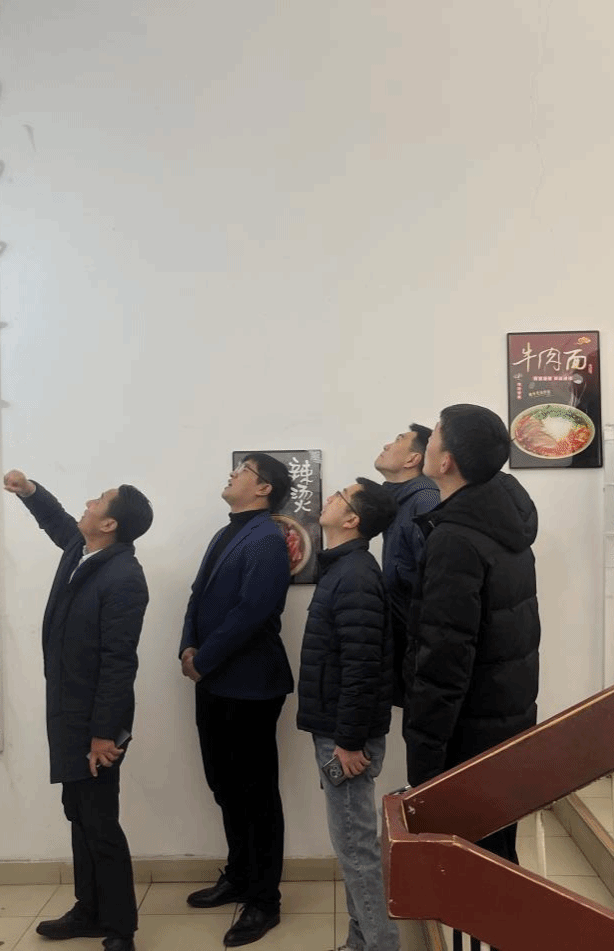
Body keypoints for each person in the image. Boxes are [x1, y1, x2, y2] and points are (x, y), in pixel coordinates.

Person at [4, 470, 152, 951]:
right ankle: (89, 909)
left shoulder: (124, 577)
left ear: (110, 525)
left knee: (100, 821)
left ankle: (121, 928)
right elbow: (58, 521)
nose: (89, 502)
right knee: (80, 813)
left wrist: (104, 733)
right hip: (70, 713)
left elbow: (119, 662)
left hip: (97, 723)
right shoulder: (82, 551)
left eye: (99, 500)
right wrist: (29, 491)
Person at [402, 404, 540, 862]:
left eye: (435, 434)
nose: (428, 439)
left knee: (473, 866)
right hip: (502, 722)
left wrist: (425, 760)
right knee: (496, 855)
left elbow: (444, 656)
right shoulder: (500, 521)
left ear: (446, 462)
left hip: (468, 736)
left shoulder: (456, 538)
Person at [179, 454, 294, 946]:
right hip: (213, 680)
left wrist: (204, 659)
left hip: (250, 684)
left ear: (263, 487)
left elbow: (252, 611)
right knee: (224, 784)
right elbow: (197, 596)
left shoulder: (267, 537)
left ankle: (264, 900)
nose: (232, 474)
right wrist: (187, 646)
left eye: (243, 469)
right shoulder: (226, 532)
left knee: (255, 794)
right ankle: (240, 876)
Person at [296, 478, 400, 951]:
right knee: (352, 847)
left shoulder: (355, 575)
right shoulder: (344, 568)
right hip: (338, 731)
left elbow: (363, 666)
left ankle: (381, 945)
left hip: (345, 739)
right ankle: (360, 942)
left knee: (357, 851)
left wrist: (350, 741)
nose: (330, 498)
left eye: (339, 496)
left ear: (353, 519)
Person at [374, 425, 440, 706]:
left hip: (422, 652)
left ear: (413, 459)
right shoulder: (400, 501)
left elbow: (436, 586)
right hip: (408, 645)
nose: (387, 445)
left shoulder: (425, 500)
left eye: (398, 440)